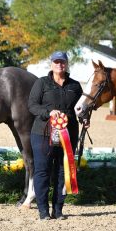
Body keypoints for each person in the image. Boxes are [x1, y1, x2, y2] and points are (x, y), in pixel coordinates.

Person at [28, 51, 85, 220]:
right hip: (42, 134)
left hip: (69, 133)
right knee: (42, 171)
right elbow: (32, 105)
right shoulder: (42, 83)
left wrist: (85, 119)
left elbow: (82, 108)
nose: (59, 65)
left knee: (63, 171)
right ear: (51, 64)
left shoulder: (75, 86)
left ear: (66, 64)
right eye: (56, 62)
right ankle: (43, 212)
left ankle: (58, 210)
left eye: (62, 62)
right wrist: (48, 112)